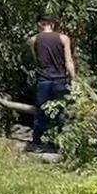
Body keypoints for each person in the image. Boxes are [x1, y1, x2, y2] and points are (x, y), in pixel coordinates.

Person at [28, 15, 76, 147]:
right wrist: (74, 79)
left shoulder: (33, 40)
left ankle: (38, 143)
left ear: (40, 24)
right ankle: (60, 143)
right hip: (60, 79)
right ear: (52, 24)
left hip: (43, 80)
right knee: (61, 112)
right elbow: (68, 61)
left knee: (41, 112)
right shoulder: (63, 38)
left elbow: (36, 60)